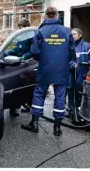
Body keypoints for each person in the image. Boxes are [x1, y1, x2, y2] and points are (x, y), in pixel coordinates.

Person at [21, 7, 75, 136]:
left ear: (45, 16)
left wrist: (43, 59)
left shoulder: (41, 31)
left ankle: (34, 123)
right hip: (62, 70)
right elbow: (72, 51)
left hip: (45, 68)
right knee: (60, 97)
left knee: (39, 94)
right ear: (57, 15)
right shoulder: (66, 31)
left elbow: (34, 52)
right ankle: (57, 127)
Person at [68, 28, 90, 119]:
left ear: (80, 35)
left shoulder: (87, 46)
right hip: (71, 74)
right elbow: (65, 59)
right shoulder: (68, 47)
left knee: (83, 94)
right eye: (71, 34)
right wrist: (72, 64)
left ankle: (81, 113)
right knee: (71, 92)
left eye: (74, 34)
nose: (72, 36)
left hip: (83, 74)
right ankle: (71, 111)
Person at [4, 18, 32, 116]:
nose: (19, 29)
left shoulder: (31, 37)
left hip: (27, 64)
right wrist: (7, 53)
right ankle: (14, 107)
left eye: (21, 27)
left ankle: (27, 105)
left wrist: (23, 57)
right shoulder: (21, 37)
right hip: (18, 64)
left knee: (24, 87)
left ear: (26, 27)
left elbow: (31, 51)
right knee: (15, 86)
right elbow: (17, 48)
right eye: (19, 28)